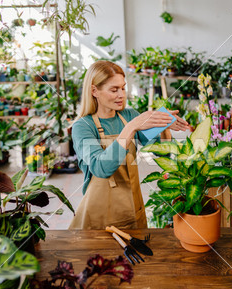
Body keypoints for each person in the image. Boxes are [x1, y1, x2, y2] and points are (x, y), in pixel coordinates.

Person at [69, 60, 189, 230]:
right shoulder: (83, 126)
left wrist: (163, 126)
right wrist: (131, 127)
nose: (121, 95)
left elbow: (163, 154)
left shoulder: (129, 115)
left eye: (123, 88)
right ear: (94, 91)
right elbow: (100, 168)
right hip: (99, 214)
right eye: (114, 90)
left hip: (132, 208)